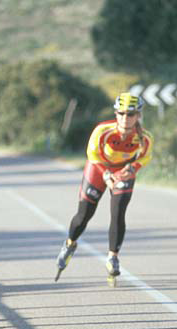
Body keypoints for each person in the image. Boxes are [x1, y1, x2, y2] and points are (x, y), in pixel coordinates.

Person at [55, 93, 153, 284]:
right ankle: (70, 243)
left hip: (123, 172)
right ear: (116, 114)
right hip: (98, 168)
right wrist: (106, 174)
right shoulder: (103, 130)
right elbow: (92, 153)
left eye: (131, 114)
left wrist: (133, 168)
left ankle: (113, 257)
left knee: (118, 213)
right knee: (84, 215)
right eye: (122, 113)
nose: (126, 118)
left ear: (138, 116)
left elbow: (145, 157)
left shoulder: (145, 137)